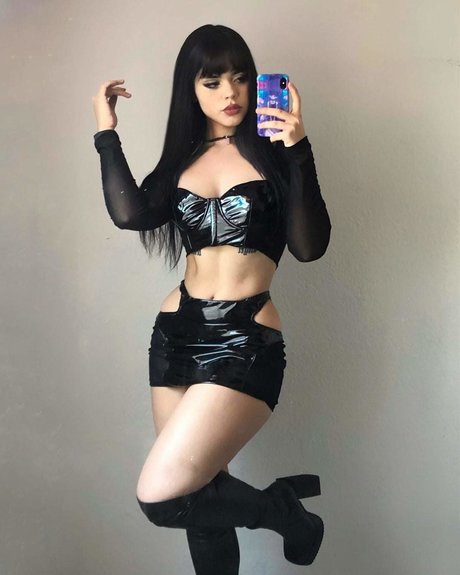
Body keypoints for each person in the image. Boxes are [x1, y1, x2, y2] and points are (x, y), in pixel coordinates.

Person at [92, 23, 331, 574]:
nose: (231, 93)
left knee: (163, 493)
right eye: (213, 81)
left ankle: (286, 513)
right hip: (175, 335)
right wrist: (106, 132)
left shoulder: (275, 155)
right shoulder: (181, 161)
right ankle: (282, 509)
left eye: (241, 78)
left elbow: (309, 247)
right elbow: (131, 214)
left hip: (246, 339)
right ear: (191, 89)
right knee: (198, 505)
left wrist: (298, 149)